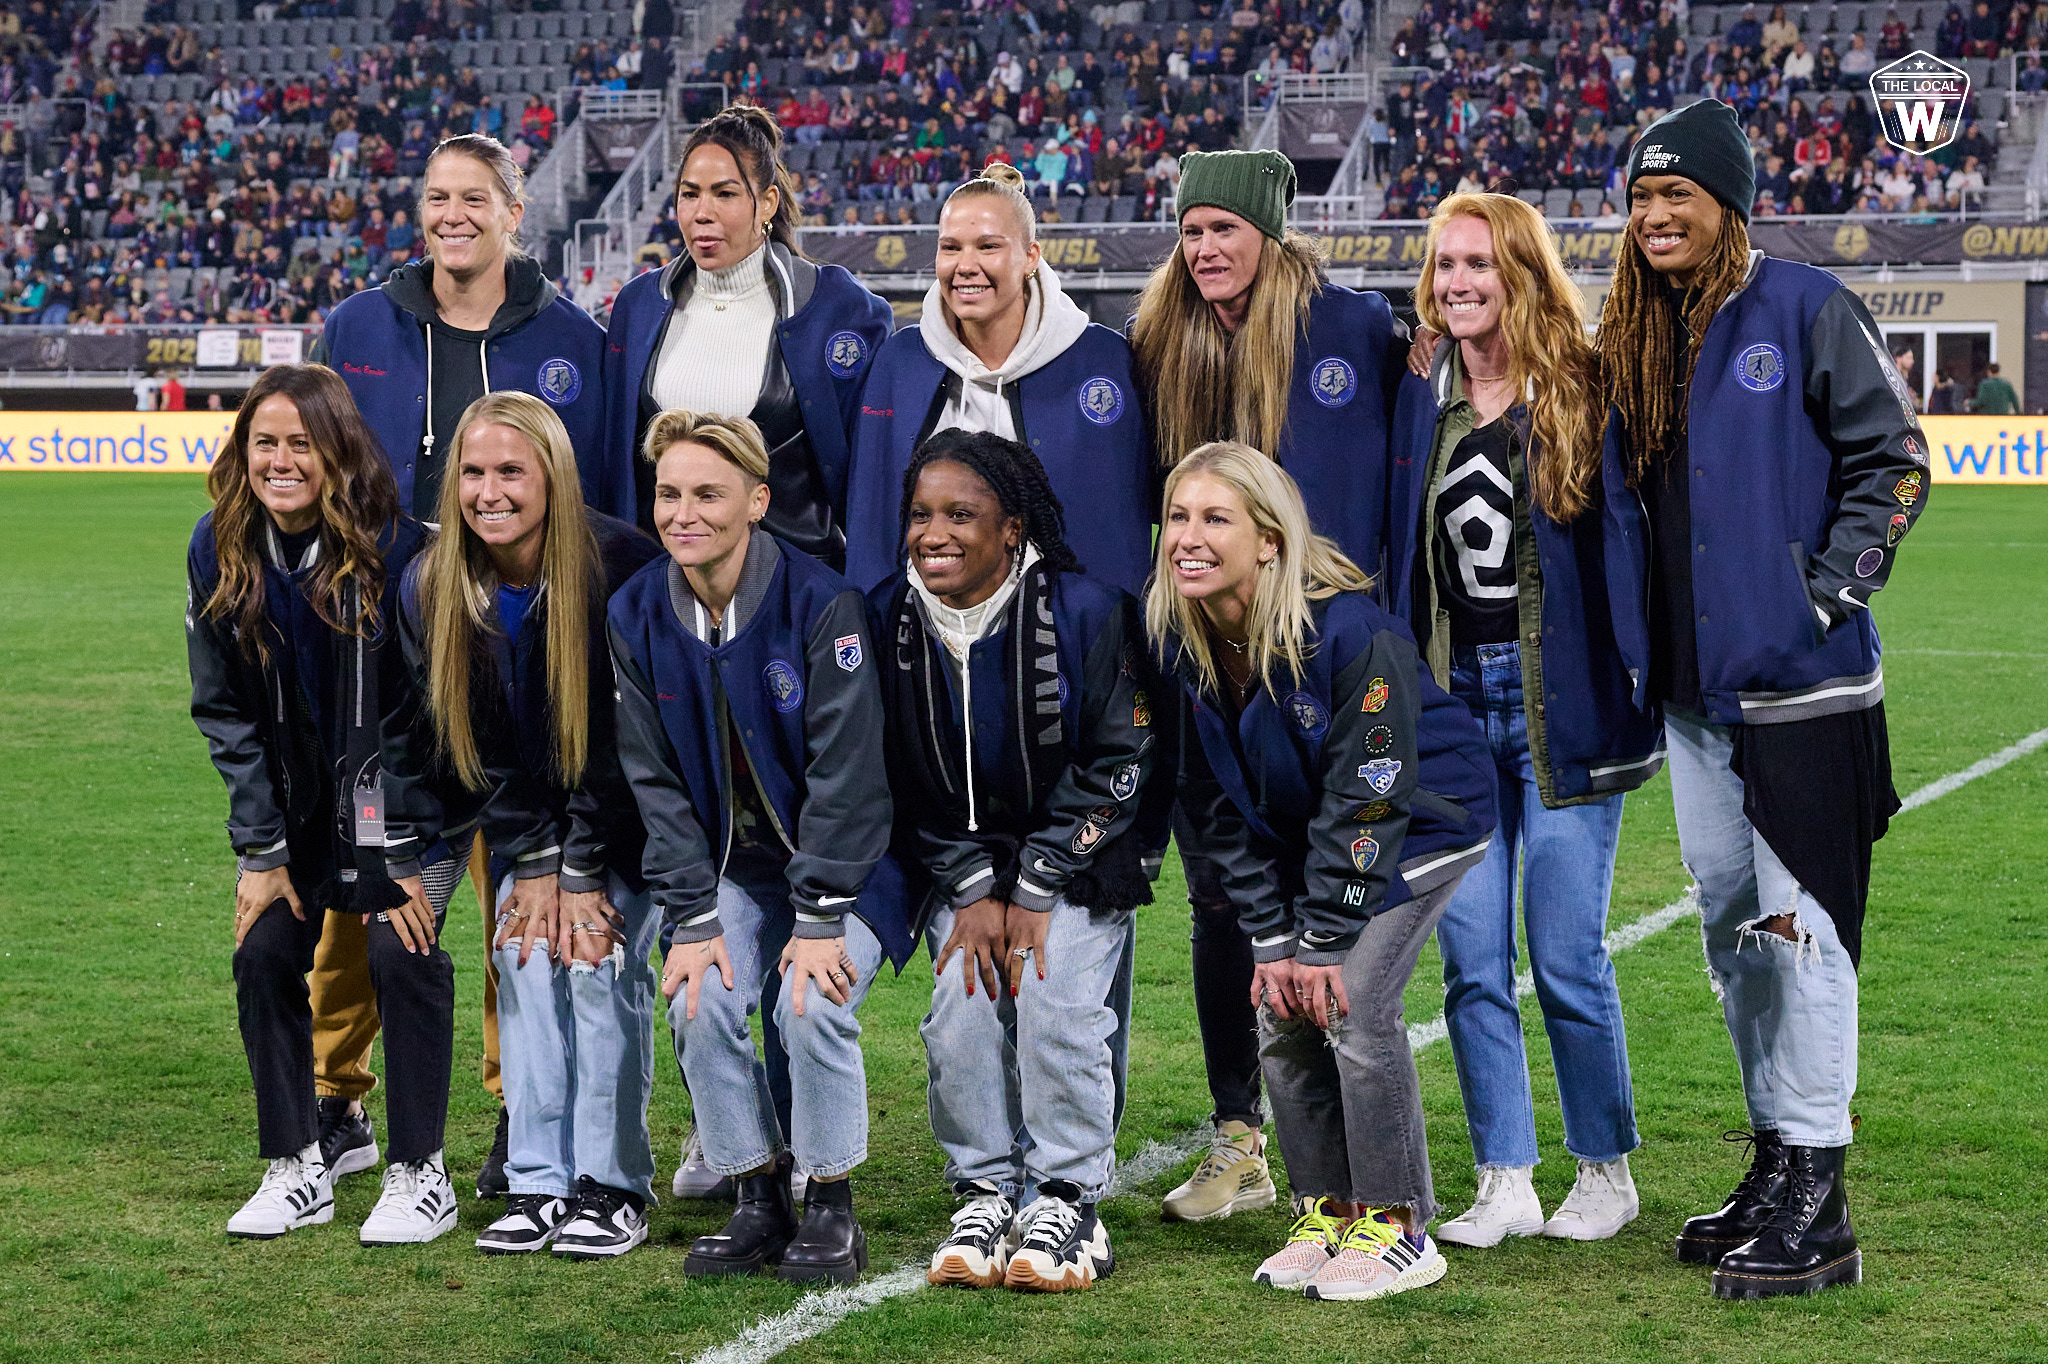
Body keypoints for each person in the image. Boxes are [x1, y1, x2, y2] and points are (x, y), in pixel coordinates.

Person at [1597, 99, 1927, 1298]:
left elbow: (1892, 464)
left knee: (1802, 940)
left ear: (1727, 205)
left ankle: (1821, 1199)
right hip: (1692, 701)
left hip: (1801, 694)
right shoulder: (1636, 333)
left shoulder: (1800, 307)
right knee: (1736, 937)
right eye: (1638, 198)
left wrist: (1819, 599)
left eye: (1674, 195)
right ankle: (1776, 1152)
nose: (1651, 217)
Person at [315, 132, 616, 1200]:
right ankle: (335, 1090)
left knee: (510, 885)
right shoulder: (355, 325)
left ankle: (509, 1099)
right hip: (375, 652)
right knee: (362, 872)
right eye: (435, 195)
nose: (452, 214)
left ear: (510, 211)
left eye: (472, 197)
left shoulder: (574, 338)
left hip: (522, 655)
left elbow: (605, 499)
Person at [1126, 148, 1410, 1221]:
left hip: (1335, 660)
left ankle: (1370, 1149)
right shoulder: (1161, 339)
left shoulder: (1355, 330)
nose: (1203, 249)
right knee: (1219, 898)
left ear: (1271, 233)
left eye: (1223, 229)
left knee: (1342, 896)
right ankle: (1238, 1134)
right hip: (1215, 656)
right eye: (1190, 231)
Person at [1152, 444, 1495, 1301]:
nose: (1188, 539)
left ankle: (1400, 1224)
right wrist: (1273, 939)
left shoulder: (1349, 632)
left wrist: (1324, 940)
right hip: (1320, 836)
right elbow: (1212, 807)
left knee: (1354, 1003)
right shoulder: (1185, 635)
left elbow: (1369, 799)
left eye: (1215, 519)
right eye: (1179, 518)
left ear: (1269, 540)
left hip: (1422, 822)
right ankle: (1328, 1208)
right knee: (1279, 1010)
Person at [1390, 193, 1665, 1247]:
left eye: (1477, 263)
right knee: (1467, 958)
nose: (1456, 281)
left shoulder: (1581, 390)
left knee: (1562, 953)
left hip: (1564, 705)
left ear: (1519, 271)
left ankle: (1604, 1168)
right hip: (1453, 707)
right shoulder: (1419, 399)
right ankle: (1503, 1171)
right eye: (1443, 264)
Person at [609, 410, 907, 1284]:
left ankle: (830, 1201)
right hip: (730, 869)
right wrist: (692, 913)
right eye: (669, 494)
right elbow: (652, 779)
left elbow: (849, 780)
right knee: (697, 996)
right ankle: (757, 1191)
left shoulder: (823, 602)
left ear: (757, 502)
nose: (683, 513)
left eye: (708, 493)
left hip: (852, 869)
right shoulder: (634, 612)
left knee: (808, 1005)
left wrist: (820, 916)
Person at [381, 391, 666, 1258]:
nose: (489, 490)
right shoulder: (432, 584)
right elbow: (452, 747)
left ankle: (613, 1187)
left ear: (554, 476)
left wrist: (574, 867)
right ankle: (540, 1180)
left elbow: (631, 746)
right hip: (522, 831)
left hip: (632, 828)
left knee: (591, 953)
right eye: (472, 472)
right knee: (518, 950)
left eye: (512, 470)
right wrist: (533, 858)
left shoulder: (621, 563)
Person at [869, 430, 1154, 1293]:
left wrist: (1033, 882)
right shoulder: (889, 617)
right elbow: (893, 774)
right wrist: (972, 887)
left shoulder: (1090, 610)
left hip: (1079, 857)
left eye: (963, 514)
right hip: (959, 869)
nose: (935, 534)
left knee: (1055, 997)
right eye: (921, 515)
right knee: (960, 1004)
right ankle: (985, 1186)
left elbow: (1125, 758)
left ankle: (1069, 1196)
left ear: (1014, 528)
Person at [187, 364, 464, 1245]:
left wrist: (397, 858)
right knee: (264, 950)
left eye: (299, 444)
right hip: (302, 817)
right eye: (263, 442)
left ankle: (423, 1172)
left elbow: (415, 723)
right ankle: (297, 1161)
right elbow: (225, 711)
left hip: (411, 805)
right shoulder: (217, 547)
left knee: (400, 946)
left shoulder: (401, 552)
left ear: (336, 449)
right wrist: (261, 851)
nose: (279, 461)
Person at [601, 105, 893, 569]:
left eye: (725, 194)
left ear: (768, 203)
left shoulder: (839, 308)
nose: (702, 213)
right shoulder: (638, 305)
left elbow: (872, 477)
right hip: (664, 591)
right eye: (690, 194)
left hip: (797, 593)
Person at [844, 162, 1153, 596]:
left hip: (1076, 642)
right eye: (951, 248)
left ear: (1030, 256)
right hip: (925, 640)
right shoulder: (900, 362)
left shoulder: (1103, 360)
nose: (965, 266)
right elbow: (871, 519)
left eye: (987, 247)